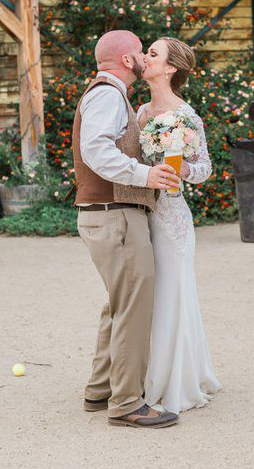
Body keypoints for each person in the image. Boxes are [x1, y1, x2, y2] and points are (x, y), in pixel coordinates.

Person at [72, 29, 181, 429]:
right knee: (135, 304)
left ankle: (100, 389)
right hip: (114, 212)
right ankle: (127, 403)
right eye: (139, 51)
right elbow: (96, 149)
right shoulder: (107, 94)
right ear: (126, 60)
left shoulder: (110, 94)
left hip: (109, 211)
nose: (143, 56)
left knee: (120, 303)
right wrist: (145, 174)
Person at [138, 37, 222, 413]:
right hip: (139, 216)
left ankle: (177, 380)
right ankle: (143, 374)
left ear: (170, 68)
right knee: (148, 299)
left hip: (172, 218)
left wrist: (184, 169)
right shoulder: (138, 111)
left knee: (174, 294)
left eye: (152, 54)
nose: (144, 57)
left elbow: (205, 169)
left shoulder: (186, 116)